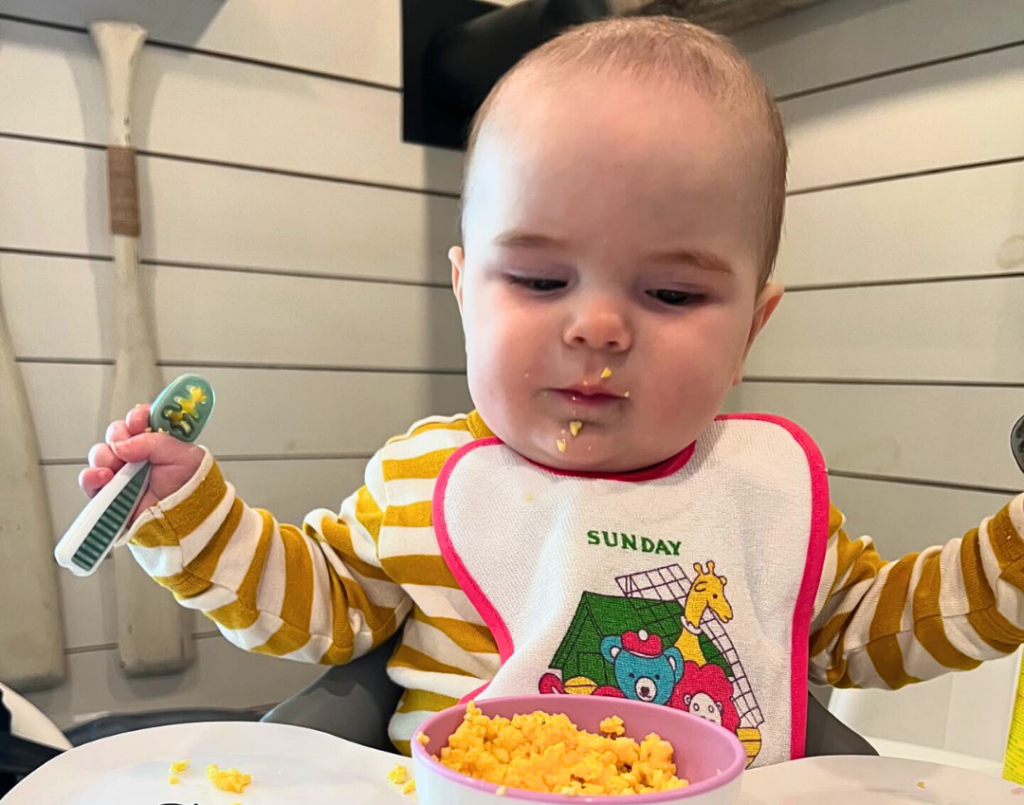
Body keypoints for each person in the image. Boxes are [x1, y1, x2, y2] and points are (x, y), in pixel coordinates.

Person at [79, 15, 1024, 765]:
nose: (598, 328)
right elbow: (316, 610)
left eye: (671, 293)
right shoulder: (424, 485)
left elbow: (875, 632)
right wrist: (190, 511)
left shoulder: (762, 499)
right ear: (463, 292)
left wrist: (1014, 554)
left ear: (751, 329)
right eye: (539, 281)